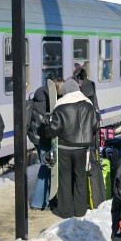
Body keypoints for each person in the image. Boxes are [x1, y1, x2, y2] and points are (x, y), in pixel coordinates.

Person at [44, 78, 100, 218]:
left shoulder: (61, 106)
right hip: (82, 149)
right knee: (80, 179)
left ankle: (65, 211)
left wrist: (47, 126)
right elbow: (95, 125)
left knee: (65, 180)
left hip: (65, 148)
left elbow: (54, 129)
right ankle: (80, 210)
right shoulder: (88, 105)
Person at [28, 77, 64, 210]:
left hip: (38, 138)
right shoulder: (46, 101)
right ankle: (38, 202)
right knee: (46, 166)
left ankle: (47, 199)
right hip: (43, 139)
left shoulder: (40, 96)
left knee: (48, 166)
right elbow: (44, 122)